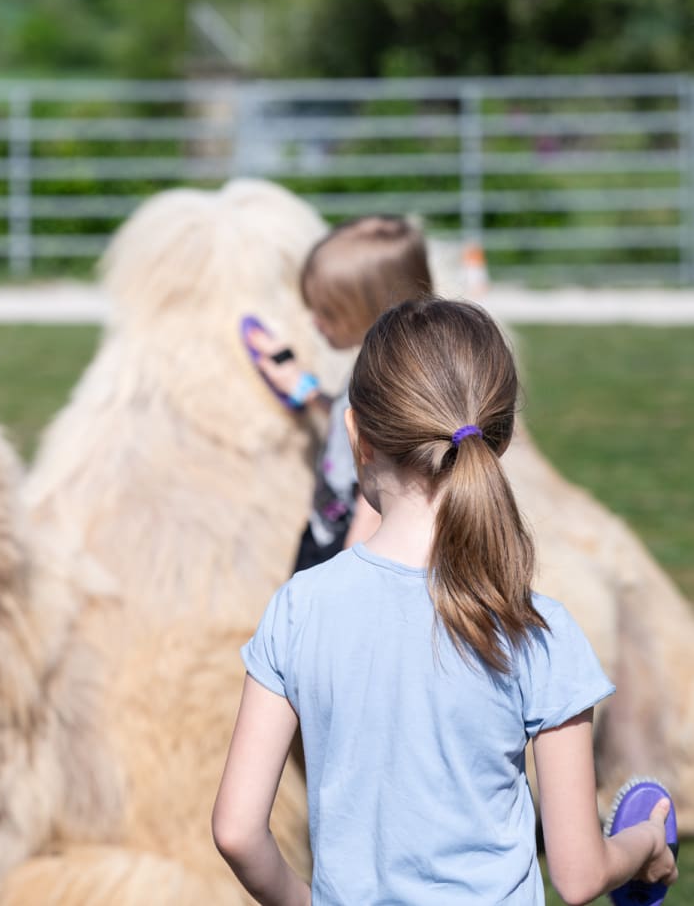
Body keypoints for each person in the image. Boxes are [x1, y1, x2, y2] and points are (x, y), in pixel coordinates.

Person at [213, 296, 679, 905]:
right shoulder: (536, 630)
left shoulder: (300, 608)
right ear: (500, 440)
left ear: (356, 435)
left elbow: (238, 831)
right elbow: (578, 874)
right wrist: (646, 844)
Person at [247, 214, 433, 571]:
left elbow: (381, 489)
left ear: (370, 310)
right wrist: (301, 386)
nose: (315, 320)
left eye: (327, 312)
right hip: (328, 529)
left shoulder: (385, 383)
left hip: (347, 544)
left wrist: (347, 574)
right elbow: (346, 413)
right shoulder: (381, 363)